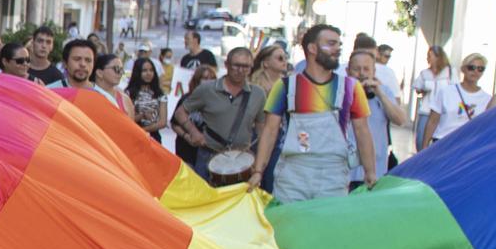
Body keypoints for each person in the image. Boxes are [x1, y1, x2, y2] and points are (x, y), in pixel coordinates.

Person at [252, 23, 376, 202]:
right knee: (291, 226)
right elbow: (270, 131)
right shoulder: (285, 86)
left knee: (328, 228)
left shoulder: (351, 87)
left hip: (334, 175)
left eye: (339, 45)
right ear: (312, 48)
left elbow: (362, 131)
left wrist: (370, 172)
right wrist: (258, 171)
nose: (337, 49)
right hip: (293, 175)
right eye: (331, 44)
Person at [171, 47, 257, 178]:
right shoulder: (203, 91)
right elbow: (178, 116)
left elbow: (261, 128)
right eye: (237, 65)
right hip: (203, 153)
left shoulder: (256, 94)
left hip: (236, 157)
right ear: (227, 65)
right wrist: (192, 133)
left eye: (246, 66)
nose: (240, 70)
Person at [348, 48, 408, 187]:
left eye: (366, 69)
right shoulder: (341, 92)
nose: (362, 73)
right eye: (357, 69)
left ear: (373, 72)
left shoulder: (384, 92)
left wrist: (380, 94)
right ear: (348, 71)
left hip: (375, 171)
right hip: (346, 172)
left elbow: (400, 120)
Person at [419, 51, 492, 149]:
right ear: (463, 69)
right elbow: (432, 121)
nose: (475, 72)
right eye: (471, 68)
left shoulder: (487, 99)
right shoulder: (446, 92)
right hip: (442, 144)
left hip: (468, 146)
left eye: (480, 69)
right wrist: (424, 147)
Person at [127, 56, 168, 139]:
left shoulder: (160, 94)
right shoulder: (128, 94)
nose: (149, 73)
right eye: (144, 70)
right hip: (133, 135)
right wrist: (142, 115)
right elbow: (126, 119)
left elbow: (163, 122)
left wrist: (143, 130)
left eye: (151, 70)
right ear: (137, 72)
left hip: (153, 137)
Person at [412, 44, 450, 126]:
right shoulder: (424, 73)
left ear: (438, 57)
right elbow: (417, 89)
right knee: (421, 136)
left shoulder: (449, 72)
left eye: (430, 56)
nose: (427, 58)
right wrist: (423, 90)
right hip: (426, 110)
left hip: (443, 112)